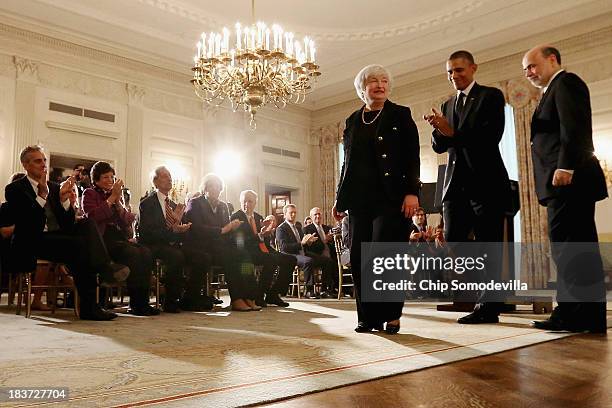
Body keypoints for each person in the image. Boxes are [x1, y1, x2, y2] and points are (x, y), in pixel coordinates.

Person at [522, 45, 608, 333]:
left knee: (569, 249)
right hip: (563, 183)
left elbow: (575, 128)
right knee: (575, 248)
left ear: (552, 59)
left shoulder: (566, 83)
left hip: (569, 181)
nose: (529, 73)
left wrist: (566, 166)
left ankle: (572, 313)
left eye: (533, 66)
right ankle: (589, 316)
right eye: (526, 70)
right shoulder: (550, 91)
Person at [333, 64, 420, 334]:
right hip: (359, 200)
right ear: (362, 88)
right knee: (360, 258)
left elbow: (411, 156)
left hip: (392, 198)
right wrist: (339, 198)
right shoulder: (352, 120)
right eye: (373, 81)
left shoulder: (400, 114)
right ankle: (367, 317)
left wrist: (412, 193)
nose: (380, 85)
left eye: (384, 81)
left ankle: (391, 314)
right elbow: (346, 163)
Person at [424, 50, 510, 324]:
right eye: (449, 72)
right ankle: (481, 295)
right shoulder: (448, 104)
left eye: (459, 70)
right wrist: (438, 129)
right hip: (455, 186)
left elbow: (490, 136)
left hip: (486, 182)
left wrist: (453, 133)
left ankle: (490, 305)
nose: (454, 76)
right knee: (455, 240)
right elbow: (440, 146)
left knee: (489, 245)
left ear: (473, 68)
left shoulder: (491, 96)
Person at [4, 146, 120, 320]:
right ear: (25, 165)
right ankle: (93, 298)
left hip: (56, 236)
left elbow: (66, 223)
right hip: (32, 239)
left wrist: (66, 202)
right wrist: (42, 196)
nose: (43, 164)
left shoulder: (54, 186)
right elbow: (27, 222)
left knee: (87, 224)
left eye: (44, 160)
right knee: (80, 246)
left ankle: (102, 272)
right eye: (37, 161)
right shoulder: (15, 189)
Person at [82, 161, 158, 316]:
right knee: (134, 254)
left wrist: (118, 204)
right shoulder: (89, 194)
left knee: (146, 252)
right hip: (102, 240)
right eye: (105, 177)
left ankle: (141, 302)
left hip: (119, 238)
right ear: (96, 180)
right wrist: (111, 200)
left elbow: (127, 220)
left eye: (112, 177)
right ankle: (136, 304)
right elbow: (93, 218)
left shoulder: (116, 197)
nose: (110, 180)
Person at [139, 166, 212, 312]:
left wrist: (182, 229)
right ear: (155, 181)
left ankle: (190, 298)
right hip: (155, 245)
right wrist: (172, 230)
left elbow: (179, 231)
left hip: (173, 244)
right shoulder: (147, 203)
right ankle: (170, 301)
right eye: (165, 176)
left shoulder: (173, 204)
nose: (170, 179)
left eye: (170, 176)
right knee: (176, 256)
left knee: (203, 257)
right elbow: (146, 232)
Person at [184, 173, 259, 311]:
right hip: (201, 246)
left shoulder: (223, 206)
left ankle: (249, 296)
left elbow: (227, 229)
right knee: (230, 256)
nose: (215, 190)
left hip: (219, 245)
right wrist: (223, 230)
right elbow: (196, 228)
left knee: (244, 256)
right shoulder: (195, 203)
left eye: (218, 187)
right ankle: (236, 299)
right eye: (211, 186)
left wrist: (232, 228)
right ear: (205, 188)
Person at [231, 190, 295, 307]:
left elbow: (263, 240)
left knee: (290, 260)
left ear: (255, 203)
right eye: (244, 201)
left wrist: (268, 231)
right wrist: (260, 235)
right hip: (247, 252)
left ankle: (273, 294)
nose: (246, 204)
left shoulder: (258, 217)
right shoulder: (236, 217)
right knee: (270, 259)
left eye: (250, 201)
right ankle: (258, 296)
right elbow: (240, 242)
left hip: (263, 249)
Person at [276, 204, 337, 299]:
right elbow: (284, 247)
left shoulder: (298, 227)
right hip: (291, 255)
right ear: (284, 214)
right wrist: (302, 243)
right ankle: (309, 290)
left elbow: (303, 243)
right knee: (308, 261)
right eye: (291, 213)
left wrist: (308, 242)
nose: (293, 215)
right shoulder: (281, 228)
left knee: (327, 261)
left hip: (302, 253)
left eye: (294, 213)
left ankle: (324, 290)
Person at [303, 206, 337, 295]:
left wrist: (331, 240)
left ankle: (337, 288)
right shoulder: (307, 229)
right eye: (315, 215)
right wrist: (324, 240)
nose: (318, 216)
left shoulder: (327, 228)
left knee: (339, 260)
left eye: (319, 214)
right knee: (328, 262)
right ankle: (324, 289)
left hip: (329, 253)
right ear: (311, 217)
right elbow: (309, 247)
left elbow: (332, 244)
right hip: (316, 254)